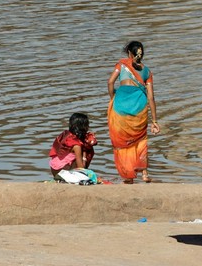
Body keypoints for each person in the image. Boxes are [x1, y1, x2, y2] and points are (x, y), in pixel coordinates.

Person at [107, 41, 160, 183]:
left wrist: (114, 98)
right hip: (139, 107)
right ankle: (144, 174)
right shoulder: (147, 72)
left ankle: (128, 176)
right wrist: (154, 121)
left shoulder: (121, 65)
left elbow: (110, 82)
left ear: (129, 53)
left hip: (120, 106)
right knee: (141, 139)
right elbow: (151, 97)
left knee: (122, 140)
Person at [49, 112, 97, 178]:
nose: (88, 127)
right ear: (82, 127)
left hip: (54, 169)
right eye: (87, 125)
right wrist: (85, 153)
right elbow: (81, 168)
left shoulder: (66, 135)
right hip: (62, 172)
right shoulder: (77, 145)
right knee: (81, 160)